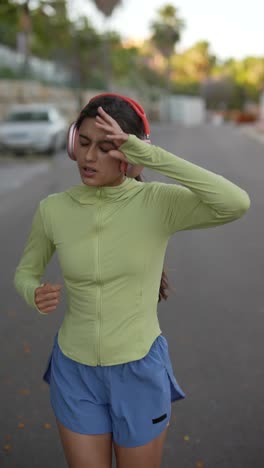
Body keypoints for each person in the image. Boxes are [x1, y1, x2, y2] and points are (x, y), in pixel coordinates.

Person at [14, 93, 250, 468]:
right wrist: (32, 291)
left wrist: (149, 155)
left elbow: (235, 202)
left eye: (107, 147)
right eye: (85, 143)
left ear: (131, 155)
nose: (90, 158)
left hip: (139, 370)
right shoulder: (53, 209)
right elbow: (25, 272)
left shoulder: (157, 203)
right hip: (74, 372)